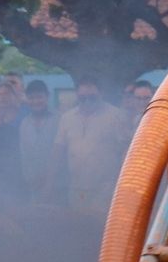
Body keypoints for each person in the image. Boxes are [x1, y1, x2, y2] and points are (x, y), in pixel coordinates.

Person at [52, 75, 128, 212]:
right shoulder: (67, 118)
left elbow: (126, 150)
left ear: (101, 94)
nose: (87, 102)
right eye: (82, 98)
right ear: (77, 96)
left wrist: (122, 183)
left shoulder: (116, 116)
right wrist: (51, 181)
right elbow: (58, 150)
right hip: (76, 188)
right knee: (79, 227)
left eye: (92, 98)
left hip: (105, 188)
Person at [15, 79, 60, 202]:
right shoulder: (24, 123)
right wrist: (29, 179)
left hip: (58, 184)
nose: (36, 101)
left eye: (39, 97)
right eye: (31, 98)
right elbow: (24, 155)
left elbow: (62, 154)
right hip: (33, 186)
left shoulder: (60, 119)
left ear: (47, 96)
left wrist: (49, 181)